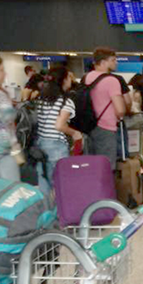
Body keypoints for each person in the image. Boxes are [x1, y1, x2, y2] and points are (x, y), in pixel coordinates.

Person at [33, 66, 82, 196]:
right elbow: (59, 126)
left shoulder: (41, 99)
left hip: (40, 145)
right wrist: (74, 133)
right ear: (64, 80)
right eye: (69, 77)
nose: (71, 80)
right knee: (60, 186)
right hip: (56, 146)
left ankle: (45, 208)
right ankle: (59, 209)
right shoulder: (66, 102)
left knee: (44, 183)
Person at [84, 47, 126, 170]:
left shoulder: (87, 77)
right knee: (107, 166)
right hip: (107, 127)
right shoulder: (112, 80)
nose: (116, 63)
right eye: (113, 60)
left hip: (89, 126)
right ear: (103, 62)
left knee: (91, 166)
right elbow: (120, 109)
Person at [0, 57, 23, 180]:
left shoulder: (4, 94)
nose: (4, 74)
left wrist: (15, 144)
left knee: (12, 187)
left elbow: (10, 124)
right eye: (1, 70)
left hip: (7, 151)